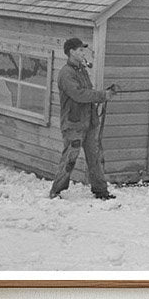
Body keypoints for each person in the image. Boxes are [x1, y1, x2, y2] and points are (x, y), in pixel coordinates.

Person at [49, 36, 116, 200]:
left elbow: (87, 92)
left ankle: (101, 190)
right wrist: (102, 95)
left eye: (83, 50)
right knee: (70, 159)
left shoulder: (81, 70)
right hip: (74, 124)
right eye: (80, 50)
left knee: (95, 158)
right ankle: (56, 191)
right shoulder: (66, 73)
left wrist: (103, 95)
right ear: (71, 52)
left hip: (89, 123)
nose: (83, 52)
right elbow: (79, 94)